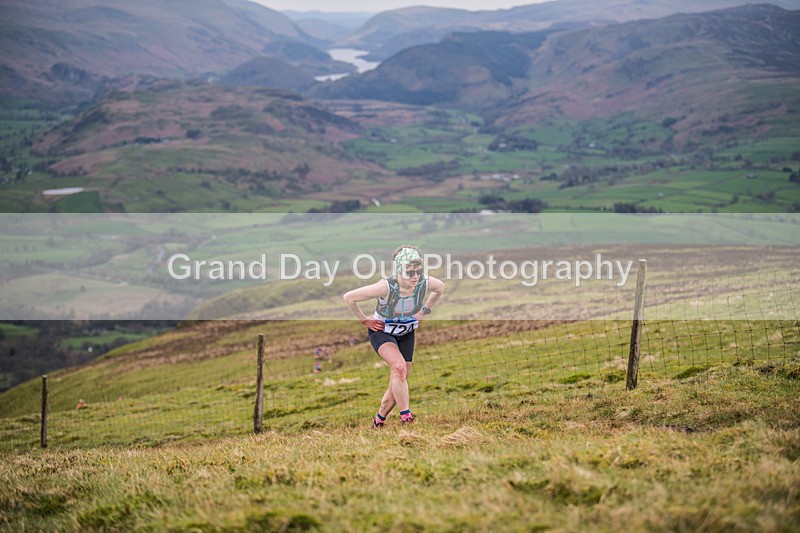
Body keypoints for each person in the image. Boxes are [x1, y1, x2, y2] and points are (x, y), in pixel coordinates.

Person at [343, 245, 445, 428]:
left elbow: (440, 288)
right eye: (410, 272)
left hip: (406, 333)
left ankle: (379, 420)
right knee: (398, 368)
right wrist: (364, 320)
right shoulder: (385, 287)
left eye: (418, 271)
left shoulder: (424, 282)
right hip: (382, 333)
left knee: (400, 378)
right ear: (399, 270)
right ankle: (407, 417)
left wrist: (423, 312)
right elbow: (349, 297)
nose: (415, 276)